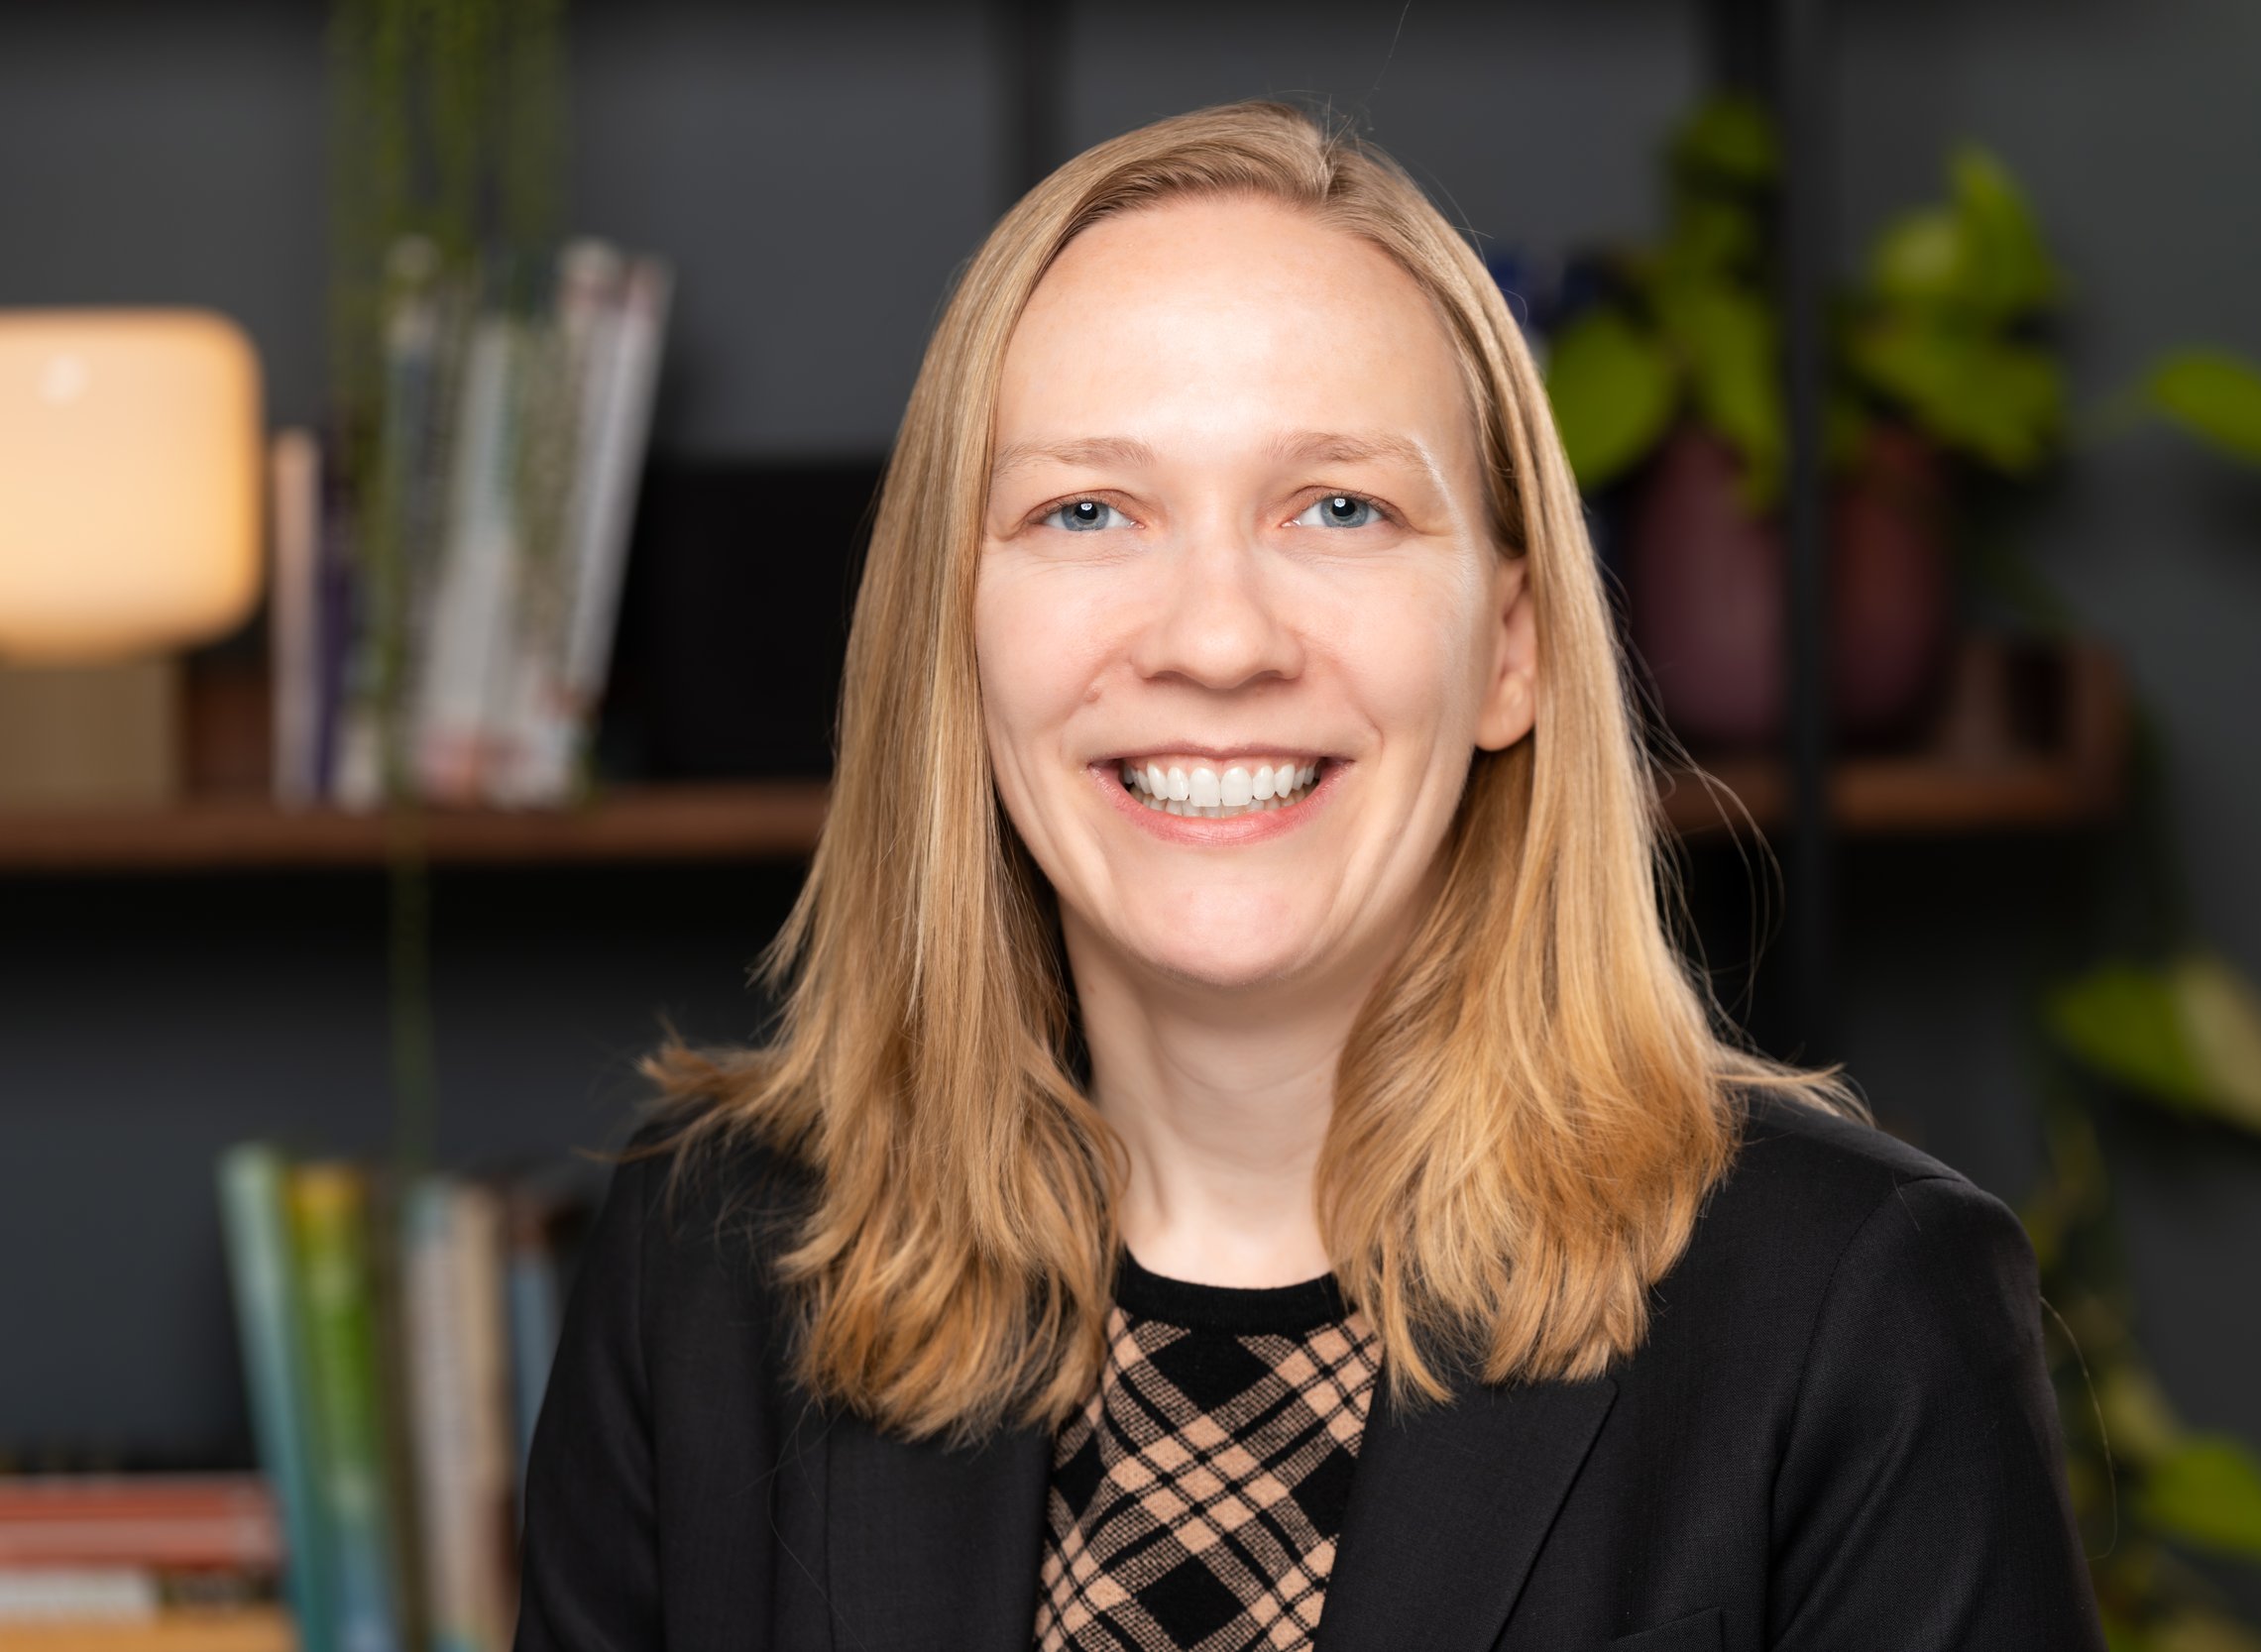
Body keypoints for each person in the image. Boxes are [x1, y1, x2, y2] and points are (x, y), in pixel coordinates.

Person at [512, 100, 2104, 1652]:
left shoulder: (1857, 1309)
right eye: (1087, 509)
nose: (1217, 640)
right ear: (951, 643)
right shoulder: (702, 1262)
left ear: (1512, 649)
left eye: (1340, 507)